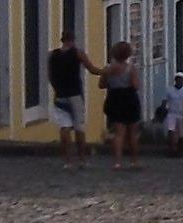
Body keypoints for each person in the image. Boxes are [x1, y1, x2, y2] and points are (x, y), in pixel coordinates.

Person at [47, 30, 102, 169]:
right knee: (79, 127)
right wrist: (106, 72)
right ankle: (82, 159)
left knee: (64, 127)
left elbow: (50, 75)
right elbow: (92, 69)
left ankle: (67, 161)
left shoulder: (53, 55)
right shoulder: (78, 53)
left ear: (61, 39)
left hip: (60, 94)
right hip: (75, 94)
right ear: (73, 39)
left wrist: (56, 88)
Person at [100, 41, 144, 171]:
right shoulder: (131, 68)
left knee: (118, 133)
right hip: (129, 98)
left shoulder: (108, 68)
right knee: (132, 133)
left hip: (114, 98)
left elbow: (101, 85)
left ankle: (117, 162)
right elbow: (136, 86)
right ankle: (134, 161)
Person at [163, 72, 183, 157]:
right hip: (171, 113)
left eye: (181, 79)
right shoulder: (169, 90)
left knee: (181, 134)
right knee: (171, 131)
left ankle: (179, 150)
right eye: (178, 79)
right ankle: (171, 150)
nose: (179, 81)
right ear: (175, 80)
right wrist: (163, 110)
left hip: (182, 114)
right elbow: (165, 101)